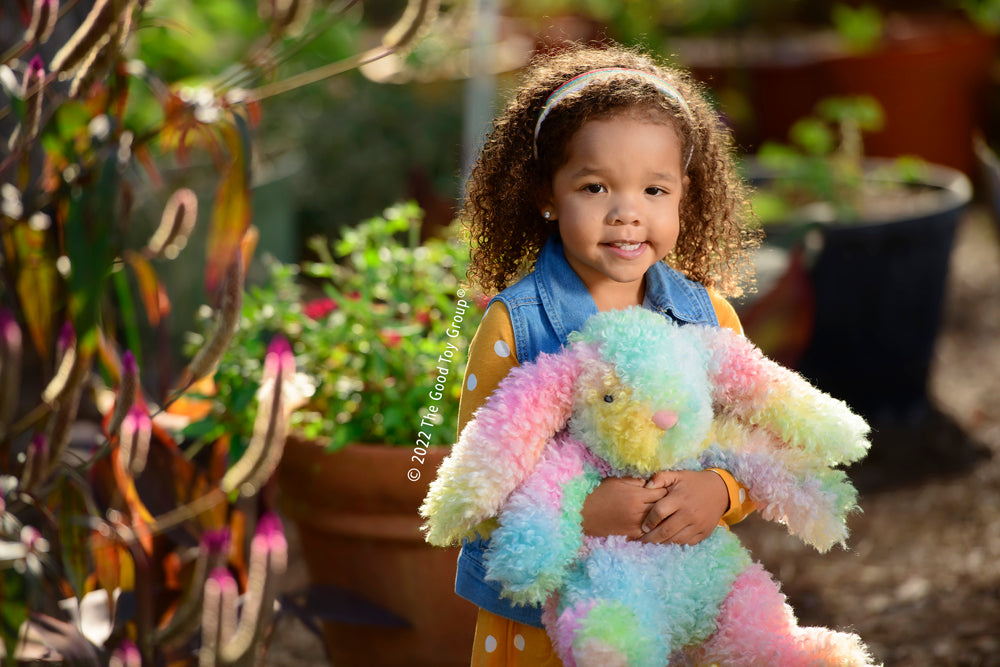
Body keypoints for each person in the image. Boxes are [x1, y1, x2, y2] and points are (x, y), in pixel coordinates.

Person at [452, 42, 760, 665]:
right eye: (595, 187)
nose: (627, 213)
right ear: (547, 193)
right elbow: (477, 479)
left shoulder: (709, 318)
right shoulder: (515, 323)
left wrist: (721, 492)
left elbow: (757, 446)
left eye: (654, 189)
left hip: (672, 615)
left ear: (684, 195)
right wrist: (583, 511)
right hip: (539, 630)